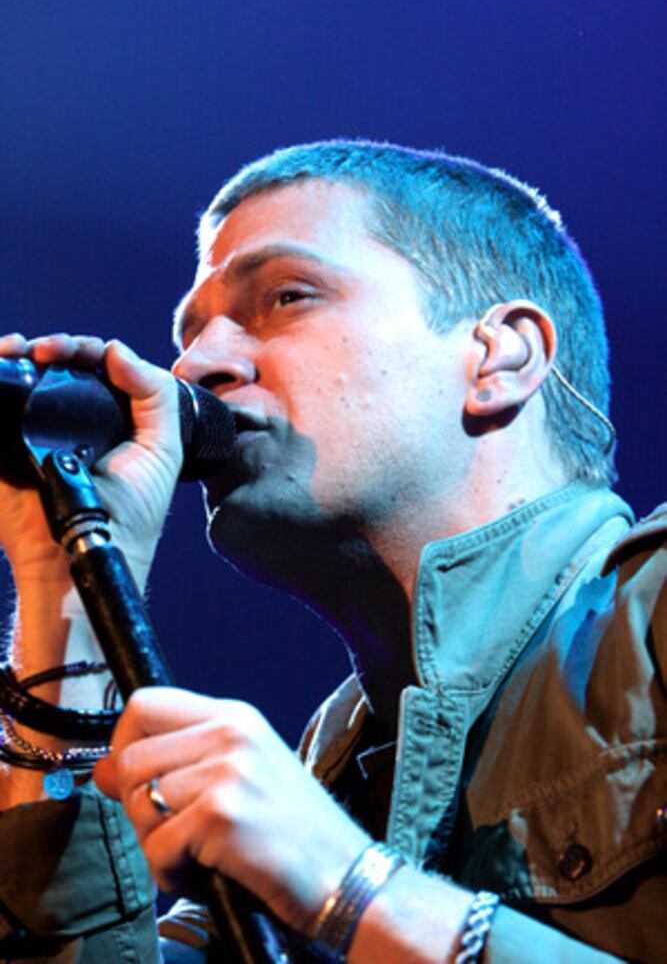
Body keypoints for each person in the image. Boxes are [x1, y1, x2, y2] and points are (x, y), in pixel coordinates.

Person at [0, 141, 664, 963]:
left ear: (502, 356)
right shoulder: (317, 779)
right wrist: (67, 590)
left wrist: (349, 886)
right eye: (191, 335)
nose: (195, 366)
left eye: (286, 296)